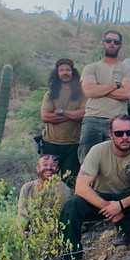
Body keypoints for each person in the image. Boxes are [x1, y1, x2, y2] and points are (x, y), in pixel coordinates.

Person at [59, 114, 130, 255]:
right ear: (110, 135)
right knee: (72, 205)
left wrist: (120, 205)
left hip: (125, 198)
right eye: (118, 133)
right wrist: (109, 208)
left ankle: (124, 228)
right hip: (99, 199)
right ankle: (69, 255)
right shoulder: (98, 151)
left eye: (129, 133)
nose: (124, 137)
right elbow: (80, 187)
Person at [78, 30, 130, 162]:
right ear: (103, 43)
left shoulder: (127, 70)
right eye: (109, 41)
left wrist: (99, 87)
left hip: (117, 121)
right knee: (87, 160)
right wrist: (116, 85)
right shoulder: (91, 68)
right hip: (92, 118)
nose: (112, 44)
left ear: (120, 45)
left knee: (115, 161)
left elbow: (127, 93)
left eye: (116, 42)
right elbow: (89, 91)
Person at [40, 58, 86, 186]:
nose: (65, 73)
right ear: (57, 73)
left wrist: (60, 111)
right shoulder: (50, 94)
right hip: (51, 143)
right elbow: (45, 117)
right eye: (62, 70)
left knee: (70, 182)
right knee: (47, 181)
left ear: (73, 72)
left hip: (73, 144)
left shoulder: (82, 93)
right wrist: (72, 115)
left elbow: (83, 114)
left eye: (68, 70)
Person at [17, 154, 73, 219]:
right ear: (37, 168)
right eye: (45, 164)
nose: (49, 168)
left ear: (57, 169)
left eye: (53, 165)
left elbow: (63, 219)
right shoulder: (27, 188)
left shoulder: (64, 191)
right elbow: (21, 216)